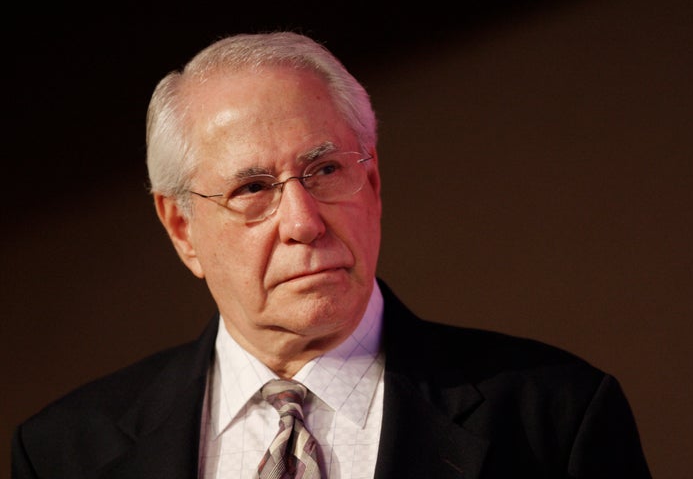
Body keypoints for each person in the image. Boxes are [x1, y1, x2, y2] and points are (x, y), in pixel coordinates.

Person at [11, 31, 652, 479]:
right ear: (182, 227)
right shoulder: (65, 452)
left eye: (324, 170)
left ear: (372, 185)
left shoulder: (556, 420)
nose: (303, 221)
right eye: (253, 188)